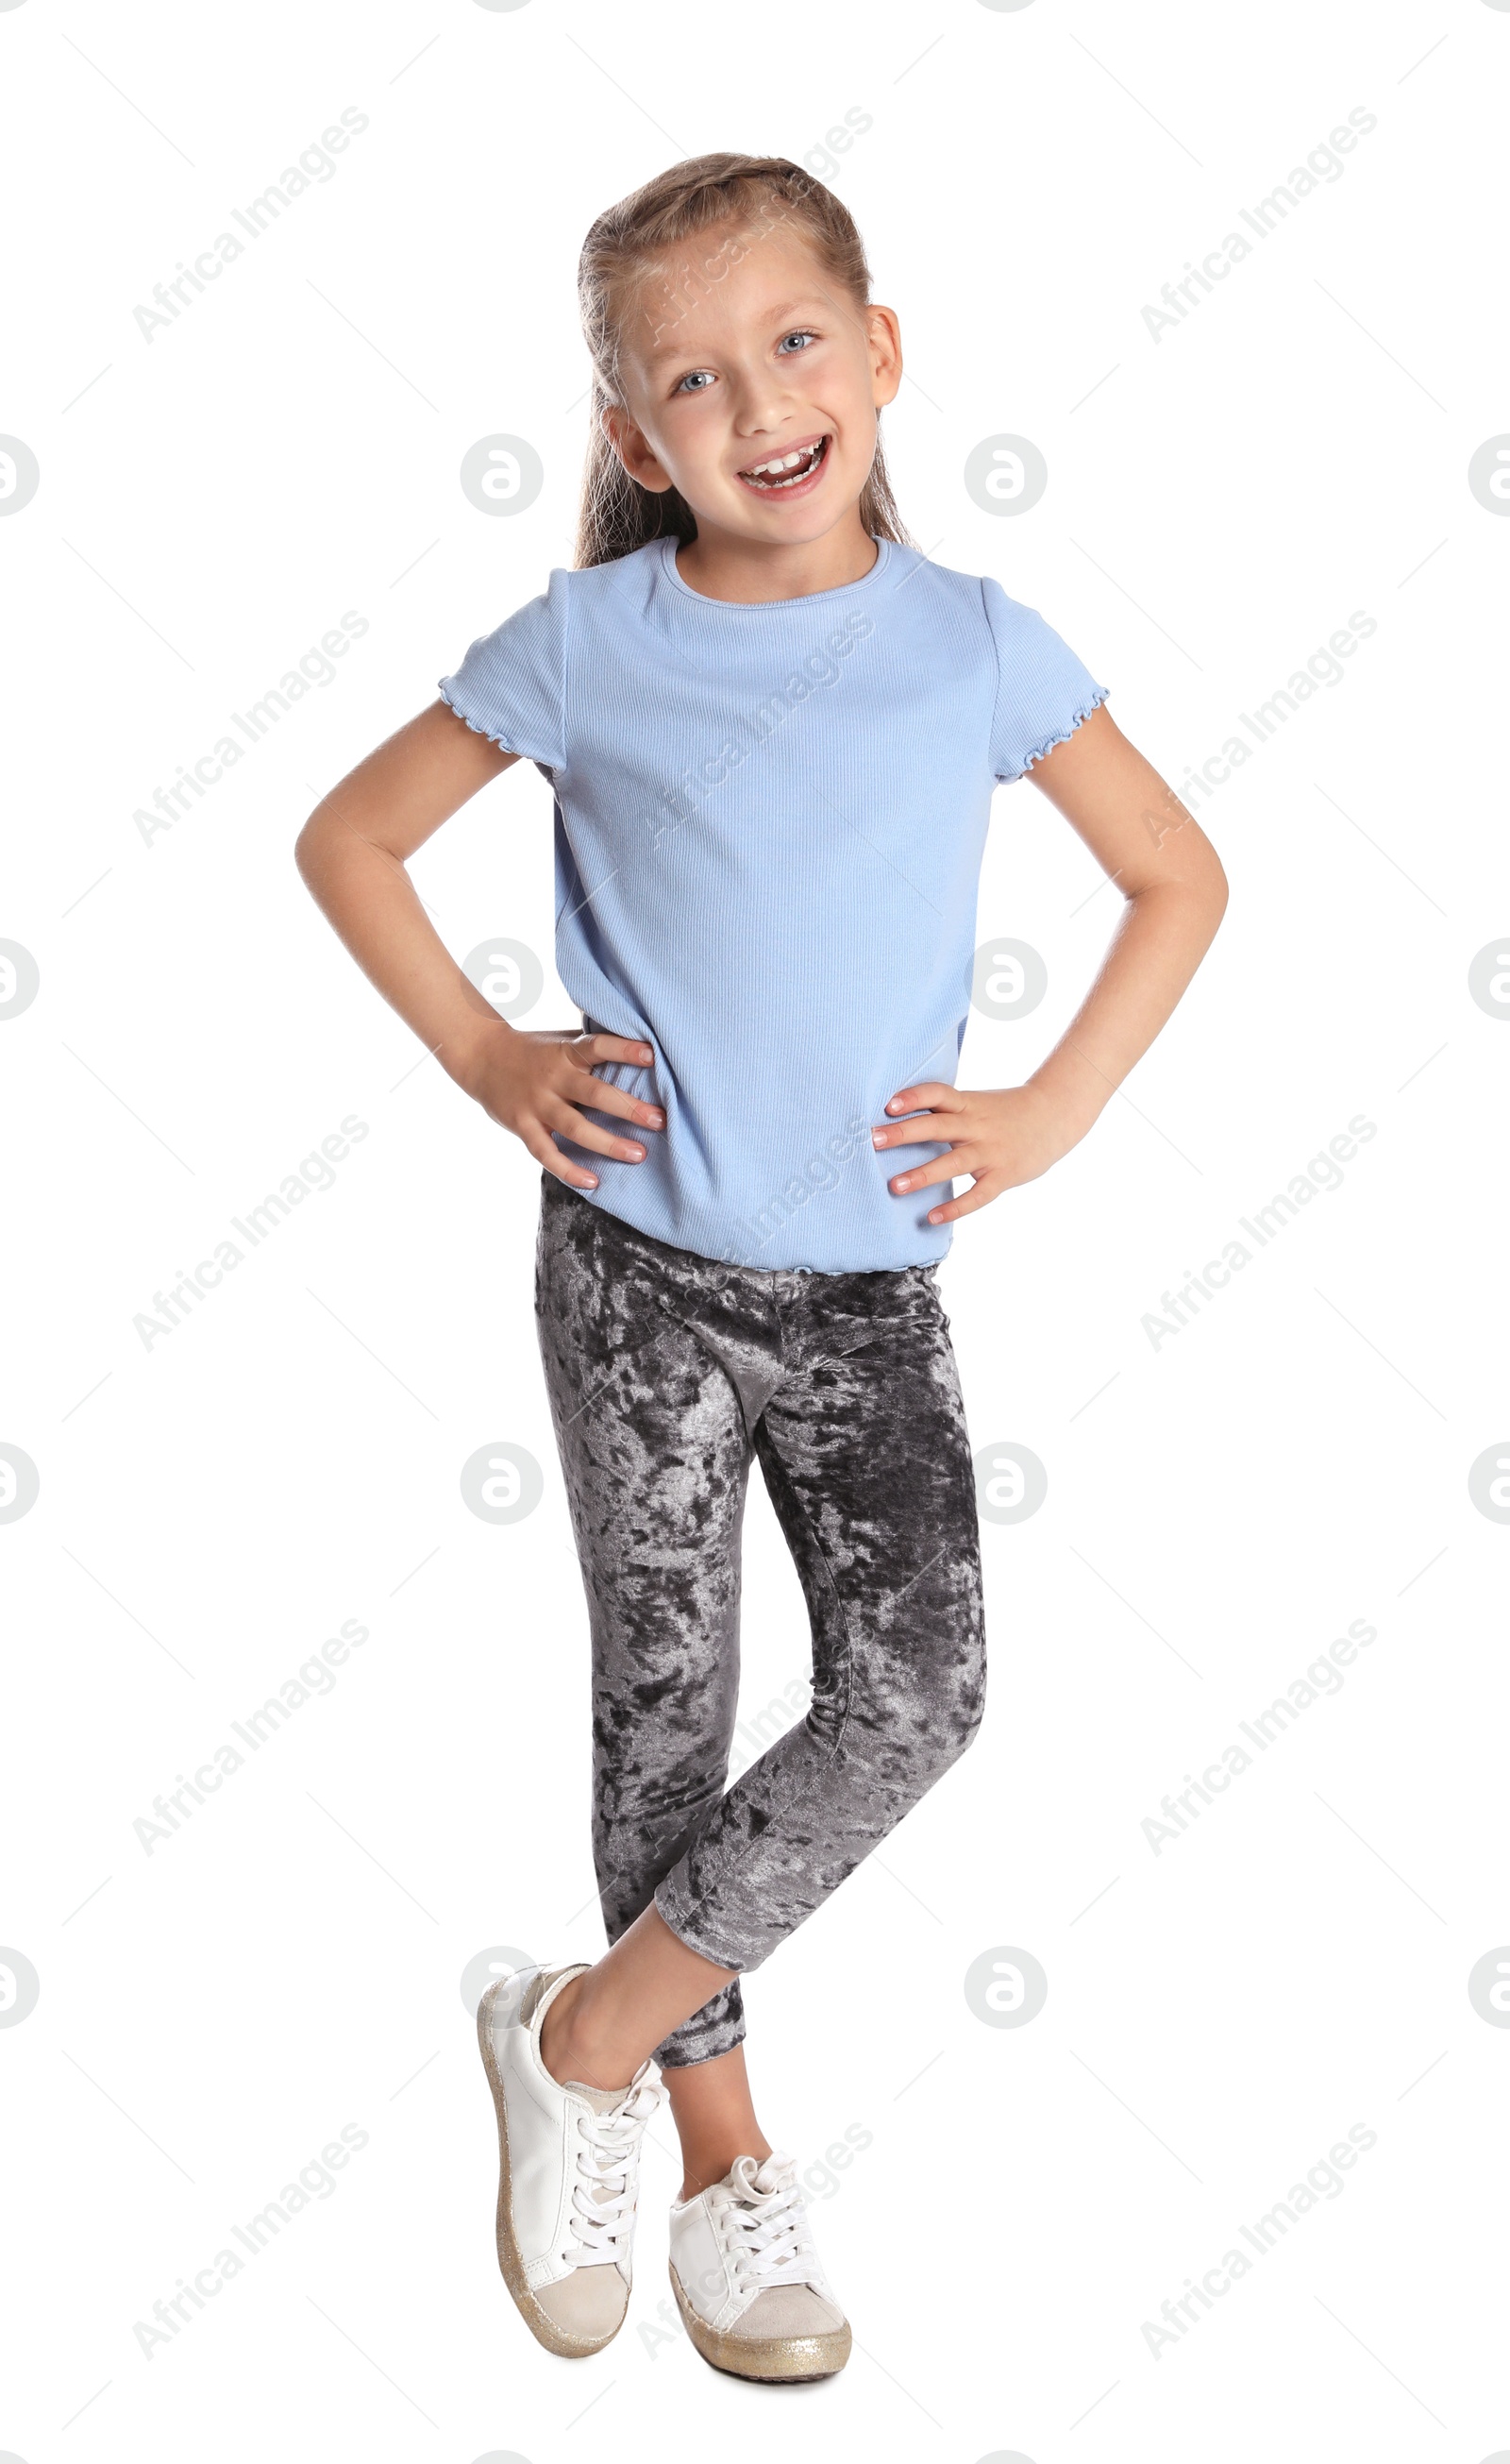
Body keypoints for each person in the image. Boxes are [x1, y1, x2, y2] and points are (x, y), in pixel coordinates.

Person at [295, 151, 1228, 2386]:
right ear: (634, 439)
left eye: (795, 343)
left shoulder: (976, 645)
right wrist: (490, 1053)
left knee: (916, 1693)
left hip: (861, 1286)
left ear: (881, 354)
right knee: (668, 1713)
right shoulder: (587, 646)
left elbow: (1176, 878)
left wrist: (1055, 1107)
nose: (757, 403)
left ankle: (575, 2038)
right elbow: (347, 833)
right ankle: (723, 2176)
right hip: (630, 1268)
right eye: (689, 380)